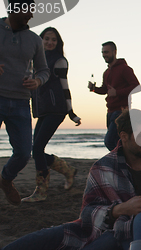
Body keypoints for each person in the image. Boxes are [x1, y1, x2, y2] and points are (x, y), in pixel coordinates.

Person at [2, 109, 141, 250]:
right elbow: (88, 213)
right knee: (41, 238)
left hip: (130, 232)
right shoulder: (103, 167)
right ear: (124, 136)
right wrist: (120, 209)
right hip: (107, 225)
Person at [0, 0, 50, 206]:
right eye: (28, 11)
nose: (31, 15)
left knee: (23, 154)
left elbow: (44, 70)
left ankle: (5, 180)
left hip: (21, 102)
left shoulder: (35, 40)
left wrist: (37, 81)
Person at [22, 27, 81, 203]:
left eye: (53, 40)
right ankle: (67, 170)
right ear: (40, 41)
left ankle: (41, 191)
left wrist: (71, 112)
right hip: (43, 110)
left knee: (38, 148)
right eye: (46, 39)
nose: (50, 42)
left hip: (57, 109)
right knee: (36, 150)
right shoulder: (35, 61)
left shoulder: (59, 61)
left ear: (58, 43)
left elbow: (65, 87)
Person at [88, 41, 140, 151]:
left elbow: (137, 87)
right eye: (102, 52)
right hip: (110, 111)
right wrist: (94, 89)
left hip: (121, 111)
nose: (104, 55)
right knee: (117, 143)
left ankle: (123, 162)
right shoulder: (106, 72)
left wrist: (117, 92)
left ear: (114, 52)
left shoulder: (125, 69)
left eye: (106, 52)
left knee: (110, 141)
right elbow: (105, 90)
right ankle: (123, 164)